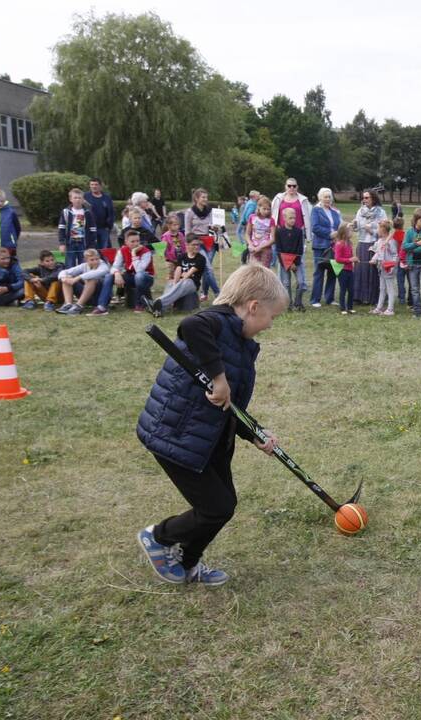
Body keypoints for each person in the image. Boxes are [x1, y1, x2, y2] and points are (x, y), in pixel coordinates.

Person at [136, 263, 287, 585]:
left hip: (210, 436)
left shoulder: (242, 344)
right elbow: (191, 326)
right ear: (253, 307)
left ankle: (188, 563)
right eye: (272, 317)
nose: (271, 326)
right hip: (177, 435)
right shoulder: (216, 322)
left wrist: (254, 433)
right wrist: (218, 378)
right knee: (215, 507)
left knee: (223, 505)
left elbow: (229, 403)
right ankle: (158, 537)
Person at [95, 228, 156, 315]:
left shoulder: (146, 252)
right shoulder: (122, 250)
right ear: (126, 242)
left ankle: (140, 304)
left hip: (146, 278)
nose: (136, 243)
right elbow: (115, 267)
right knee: (109, 276)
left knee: (139, 276)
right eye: (132, 241)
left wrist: (134, 253)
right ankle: (102, 306)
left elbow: (139, 270)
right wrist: (116, 273)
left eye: (138, 241)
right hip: (131, 277)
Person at [148, 237, 206, 317]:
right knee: (171, 283)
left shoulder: (201, 258)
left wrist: (181, 278)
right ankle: (159, 309)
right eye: (194, 245)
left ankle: (158, 302)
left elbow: (189, 273)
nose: (196, 247)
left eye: (198, 245)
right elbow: (178, 269)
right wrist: (175, 283)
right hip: (181, 281)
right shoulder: (182, 256)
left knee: (185, 282)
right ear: (187, 245)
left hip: (192, 284)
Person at [184, 188, 220, 300]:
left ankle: (204, 293)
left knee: (206, 269)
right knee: (208, 268)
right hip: (197, 243)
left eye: (206, 197)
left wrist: (215, 228)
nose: (206, 199)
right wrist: (191, 245)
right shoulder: (190, 212)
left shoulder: (210, 212)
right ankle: (219, 294)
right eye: (203, 197)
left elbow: (216, 227)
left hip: (210, 242)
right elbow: (187, 231)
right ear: (196, 198)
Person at [310, 188, 342, 308]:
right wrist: (329, 234)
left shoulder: (334, 212)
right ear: (320, 198)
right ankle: (315, 299)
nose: (328, 199)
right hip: (320, 246)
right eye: (325, 196)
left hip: (334, 246)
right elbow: (315, 227)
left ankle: (330, 298)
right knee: (319, 272)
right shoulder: (316, 210)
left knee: (333, 272)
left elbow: (339, 226)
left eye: (329, 197)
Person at [353, 189, 386, 305]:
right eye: (363, 198)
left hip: (374, 243)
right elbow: (356, 227)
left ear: (373, 198)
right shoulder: (360, 211)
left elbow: (385, 229)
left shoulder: (381, 212)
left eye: (367, 198)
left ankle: (373, 297)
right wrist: (354, 225)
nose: (364, 200)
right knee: (361, 269)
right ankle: (359, 296)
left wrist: (371, 231)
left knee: (372, 271)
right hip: (362, 242)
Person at [56, 248, 110, 315]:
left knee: (91, 279)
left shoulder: (103, 265)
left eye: (97, 259)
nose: (95, 261)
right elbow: (64, 271)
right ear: (86, 260)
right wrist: (63, 278)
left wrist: (77, 278)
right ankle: (68, 305)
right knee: (67, 277)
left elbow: (97, 273)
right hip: (86, 295)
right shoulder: (83, 266)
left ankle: (78, 306)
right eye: (92, 260)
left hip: (99, 297)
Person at [58, 188, 98, 268]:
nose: (77, 200)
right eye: (75, 198)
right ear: (70, 199)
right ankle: (70, 279)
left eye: (80, 198)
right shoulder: (66, 212)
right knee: (69, 264)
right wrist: (62, 243)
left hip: (84, 242)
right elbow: (61, 228)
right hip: (70, 242)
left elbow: (93, 229)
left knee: (84, 264)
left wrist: (92, 244)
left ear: (83, 199)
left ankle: (82, 279)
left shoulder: (88, 212)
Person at [275, 208, 306, 311]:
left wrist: (295, 263)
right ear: (284, 218)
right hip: (284, 262)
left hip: (297, 262)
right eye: (290, 218)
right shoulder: (279, 232)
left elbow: (300, 249)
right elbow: (278, 250)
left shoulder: (298, 232)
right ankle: (289, 304)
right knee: (286, 283)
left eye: (294, 218)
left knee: (301, 282)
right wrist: (286, 263)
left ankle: (298, 302)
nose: (293, 220)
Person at [371, 219, 397, 316]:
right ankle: (379, 307)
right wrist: (373, 259)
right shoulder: (379, 241)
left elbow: (395, 255)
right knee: (382, 288)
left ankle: (390, 309)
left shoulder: (391, 242)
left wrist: (392, 266)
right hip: (381, 268)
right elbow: (378, 253)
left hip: (389, 269)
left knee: (390, 289)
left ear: (383, 230)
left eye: (378, 228)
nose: (377, 230)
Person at [86, 178, 115, 249]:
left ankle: (103, 260)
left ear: (100, 186)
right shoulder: (85, 196)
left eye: (96, 184)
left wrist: (109, 226)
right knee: (92, 249)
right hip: (90, 228)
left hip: (103, 228)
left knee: (104, 249)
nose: (94, 186)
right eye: (92, 185)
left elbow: (111, 212)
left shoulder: (107, 197)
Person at [246, 198, 275, 269]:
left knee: (264, 271)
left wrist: (260, 247)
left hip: (265, 249)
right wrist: (250, 244)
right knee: (253, 270)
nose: (266, 211)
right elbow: (247, 234)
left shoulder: (271, 220)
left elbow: (273, 239)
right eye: (264, 209)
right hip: (253, 248)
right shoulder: (252, 217)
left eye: (268, 209)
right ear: (259, 208)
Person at [334, 225, 356, 314]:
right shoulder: (339, 244)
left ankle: (350, 307)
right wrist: (349, 260)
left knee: (351, 289)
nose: (352, 233)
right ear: (344, 233)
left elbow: (350, 256)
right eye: (350, 231)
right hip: (342, 270)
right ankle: (343, 308)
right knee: (343, 289)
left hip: (350, 270)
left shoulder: (350, 243)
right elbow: (337, 259)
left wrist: (354, 259)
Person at [392, 216, 410, 307]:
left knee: (400, 280)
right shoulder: (405, 234)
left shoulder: (394, 236)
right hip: (407, 259)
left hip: (399, 260)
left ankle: (402, 298)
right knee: (410, 279)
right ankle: (410, 297)